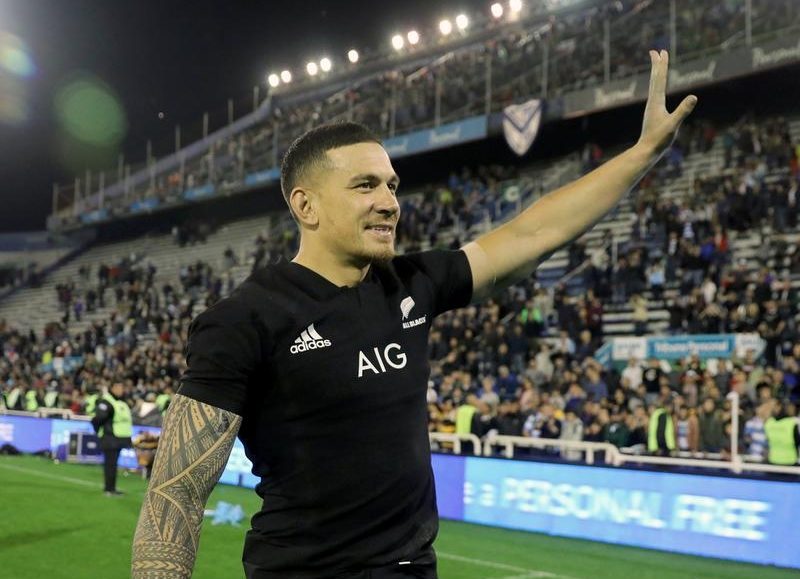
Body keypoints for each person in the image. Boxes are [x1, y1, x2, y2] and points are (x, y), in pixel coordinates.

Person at [132, 51, 696, 578]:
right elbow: (176, 493)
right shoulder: (245, 318)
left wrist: (642, 153)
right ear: (305, 204)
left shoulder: (412, 284)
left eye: (392, 185)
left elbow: (535, 232)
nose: (389, 202)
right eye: (365, 186)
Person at [91, 381, 133, 496]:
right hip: (110, 437)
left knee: (113, 464)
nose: (121, 390)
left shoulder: (120, 401)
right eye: (119, 387)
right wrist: (99, 431)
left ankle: (111, 488)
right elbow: (98, 419)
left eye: (122, 387)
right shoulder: (107, 401)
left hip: (118, 438)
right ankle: (109, 489)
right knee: (110, 464)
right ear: (113, 388)